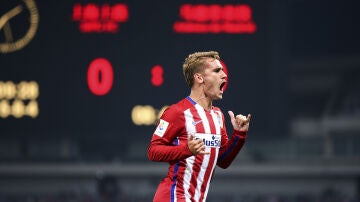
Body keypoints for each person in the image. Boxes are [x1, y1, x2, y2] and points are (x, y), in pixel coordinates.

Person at [147, 51, 251, 202]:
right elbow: (153, 151)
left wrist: (239, 135)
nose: (224, 75)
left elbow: (222, 160)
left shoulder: (217, 115)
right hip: (174, 196)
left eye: (222, 70)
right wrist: (186, 150)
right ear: (199, 77)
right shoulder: (177, 112)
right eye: (217, 70)